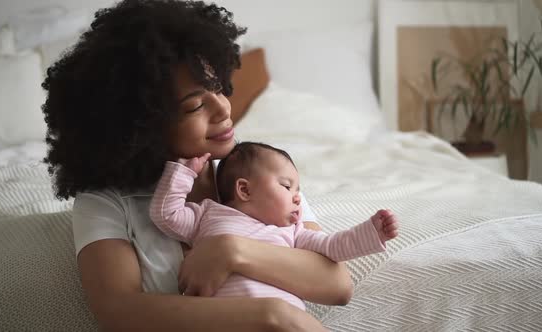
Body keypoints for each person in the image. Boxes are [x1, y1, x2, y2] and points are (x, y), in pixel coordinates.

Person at [42, 0, 358, 330]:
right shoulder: (105, 202)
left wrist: (230, 250)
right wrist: (272, 316)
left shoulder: (258, 174)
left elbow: (337, 285)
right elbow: (118, 310)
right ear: (142, 123)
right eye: (195, 106)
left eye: (218, 87)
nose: (223, 108)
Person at [150, 141, 400, 310]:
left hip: (284, 319)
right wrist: (182, 174)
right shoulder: (208, 214)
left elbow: (333, 246)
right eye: (286, 186)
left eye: (298, 189)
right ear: (245, 189)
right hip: (228, 320)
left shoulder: (293, 232)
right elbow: (166, 215)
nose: (297, 197)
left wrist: (372, 231)